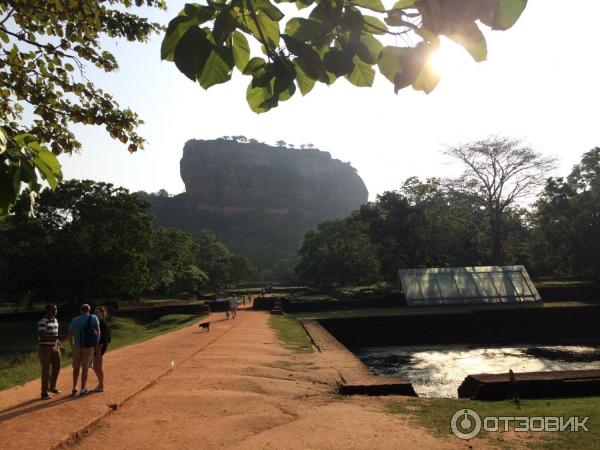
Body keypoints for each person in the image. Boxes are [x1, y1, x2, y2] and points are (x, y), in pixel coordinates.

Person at [68, 304, 100, 396]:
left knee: (76, 367)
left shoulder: (75, 320)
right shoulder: (94, 318)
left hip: (77, 346)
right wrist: (95, 345)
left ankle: (74, 387)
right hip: (89, 347)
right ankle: (82, 389)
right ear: (89, 310)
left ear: (80, 310)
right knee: (85, 368)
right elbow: (98, 332)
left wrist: (72, 347)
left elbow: (70, 335)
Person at [37, 304, 66, 400]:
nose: (55, 311)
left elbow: (55, 334)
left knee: (57, 367)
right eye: (53, 309)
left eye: (56, 309)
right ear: (48, 310)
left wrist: (60, 346)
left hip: (55, 347)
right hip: (45, 348)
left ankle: (52, 387)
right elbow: (42, 336)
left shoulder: (55, 320)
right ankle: (44, 392)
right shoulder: (43, 321)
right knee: (46, 371)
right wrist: (57, 337)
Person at [91, 306, 111, 393]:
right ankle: (100, 385)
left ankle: (101, 385)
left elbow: (103, 338)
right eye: (94, 312)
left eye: (97, 312)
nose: (95, 314)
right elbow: (108, 338)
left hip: (99, 347)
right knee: (97, 366)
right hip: (100, 347)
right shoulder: (102, 322)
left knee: (96, 367)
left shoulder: (101, 323)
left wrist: (99, 349)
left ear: (102, 313)